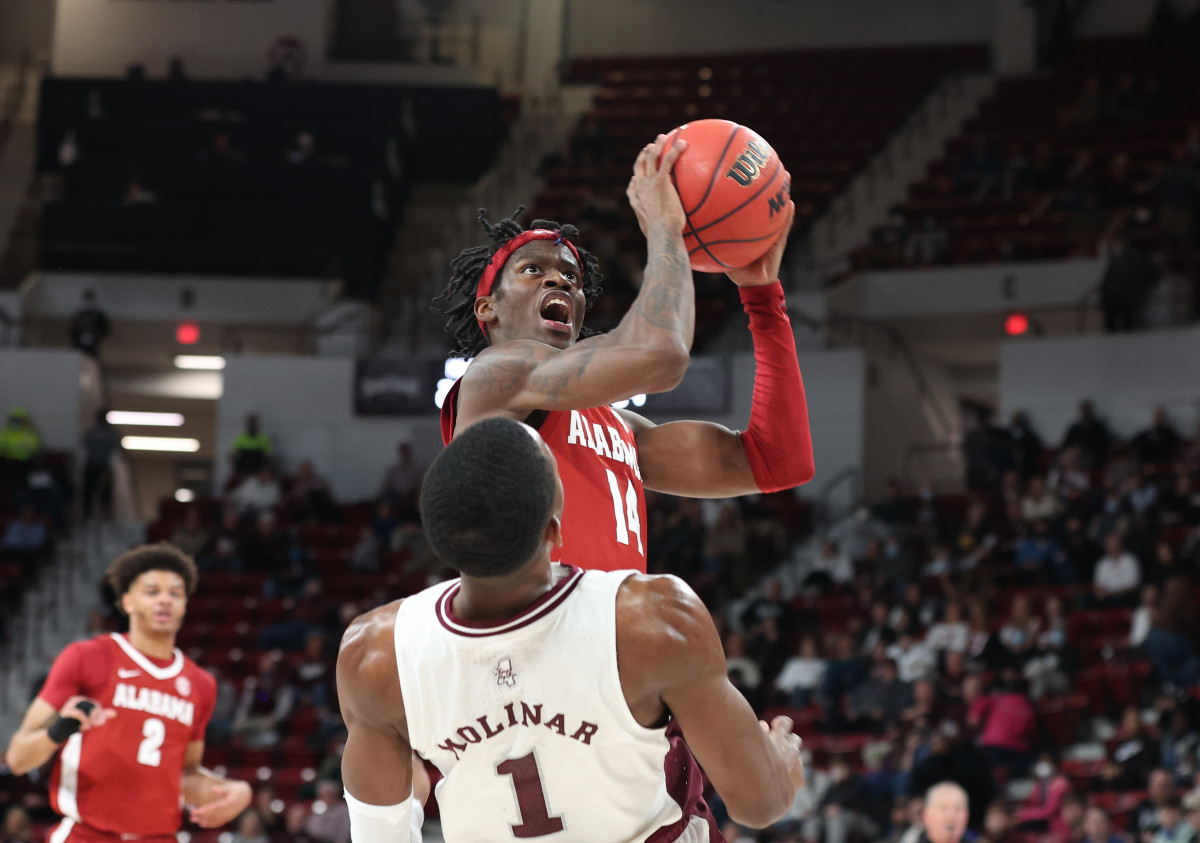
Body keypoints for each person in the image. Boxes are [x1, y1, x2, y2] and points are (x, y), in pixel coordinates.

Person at [336, 417, 807, 841]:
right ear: (555, 531)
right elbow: (758, 804)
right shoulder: (653, 620)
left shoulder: (374, 655)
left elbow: (381, 837)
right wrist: (780, 766)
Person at [433, 134, 814, 574]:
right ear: (488, 308)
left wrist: (764, 298)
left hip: (606, 638)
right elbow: (661, 354)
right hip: (526, 636)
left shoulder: (622, 429)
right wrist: (665, 228)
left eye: (571, 277)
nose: (559, 282)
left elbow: (780, 463)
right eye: (532, 270)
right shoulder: (493, 377)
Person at [3, 544, 252, 839]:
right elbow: (18, 758)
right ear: (127, 602)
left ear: (185, 604)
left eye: (175, 593)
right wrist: (59, 730)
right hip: (86, 833)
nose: (165, 600)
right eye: (152, 591)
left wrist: (235, 792)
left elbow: (184, 774)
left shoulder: (201, 684)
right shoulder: (87, 656)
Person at [80, 408, 123, 521]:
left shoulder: (111, 433)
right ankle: (87, 514)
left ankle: (106, 514)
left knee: (106, 491)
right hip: (92, 465)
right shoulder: (91, 432)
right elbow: (84, 449)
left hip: (104, 467)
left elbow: (115, 452)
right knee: (88, 490)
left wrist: (110, 468)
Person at [69, 290, 110, 358]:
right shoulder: (79, 314)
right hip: (80, 341)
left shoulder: (99, 315)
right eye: (87, 299)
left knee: (92, 357)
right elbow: (73, 328)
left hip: (94, 341)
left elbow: (104, 329)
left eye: (90, 299)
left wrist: (97, 336)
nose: (89, 302)